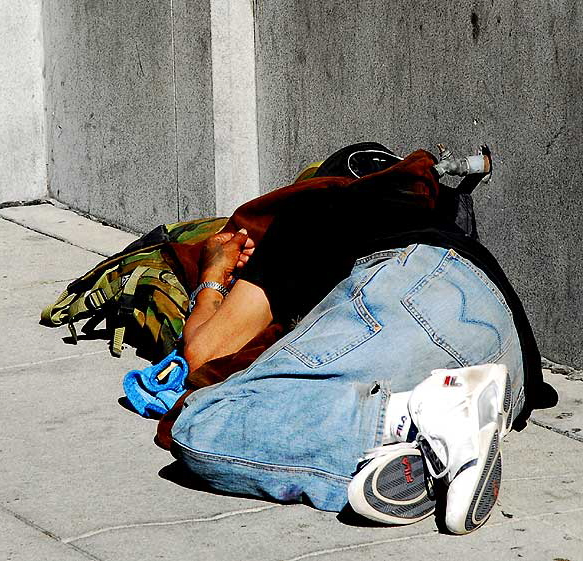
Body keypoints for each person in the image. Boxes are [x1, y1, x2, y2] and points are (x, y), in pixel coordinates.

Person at [167, 145, 552, 534]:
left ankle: (414, 420)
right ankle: (440, 439)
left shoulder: (312, 211)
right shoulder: (428, 220)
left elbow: (205, 353)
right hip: (509, 356)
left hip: (410, 290)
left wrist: (213, 272)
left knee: (202, 424)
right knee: (353, 424)